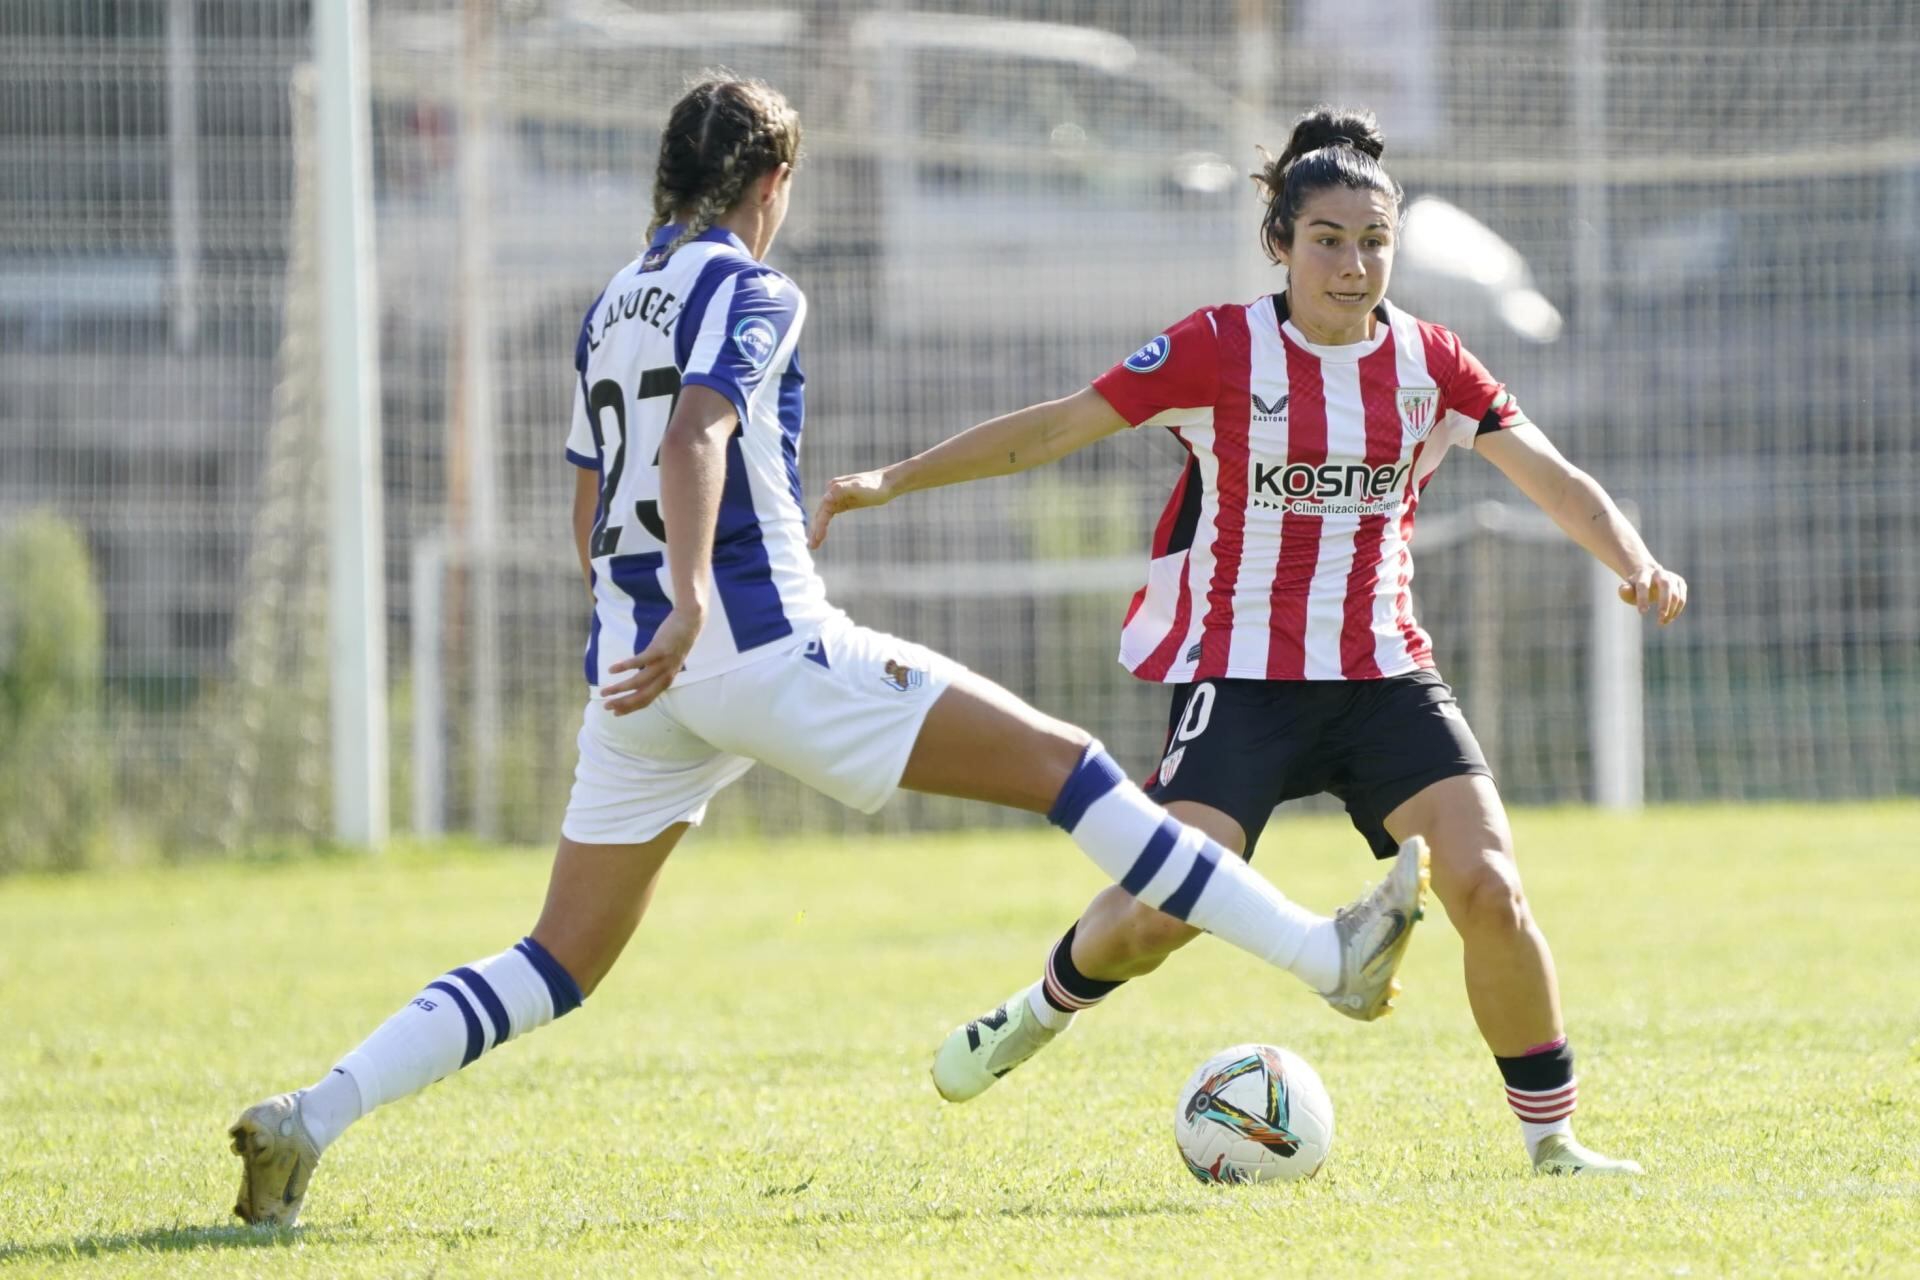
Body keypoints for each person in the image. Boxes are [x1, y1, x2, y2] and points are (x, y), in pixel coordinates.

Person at [226, 79, 1432, 1228]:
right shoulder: (753, 289)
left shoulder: (611, 304)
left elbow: (589, 500)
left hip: (639, 674)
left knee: (557, 957)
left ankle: (311, 1113)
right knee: (1068, 767)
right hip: (754, 645)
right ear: (773, 182)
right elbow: (697, 434)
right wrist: (694, 597)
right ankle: (1323, 953)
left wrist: (644, 615)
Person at [810, 105, 1688, 1177]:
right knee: (1156, 919)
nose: (1354, 266)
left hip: (1384, 676)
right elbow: (1053, 428)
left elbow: (1553, 475)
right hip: (1242, 682)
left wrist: (1634, 559)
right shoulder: (1219, 348)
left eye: (1374, 242)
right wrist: (890, 480)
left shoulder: (1430, 363)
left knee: (1490, 888)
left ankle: (1553, 1142)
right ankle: (1037, 1008)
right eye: (1328, 240)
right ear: (1280, 242)